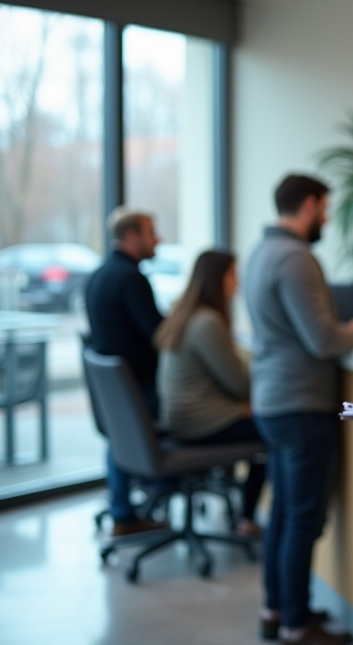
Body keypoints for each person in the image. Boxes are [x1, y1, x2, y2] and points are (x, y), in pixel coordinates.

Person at [245, 174, 353, 645]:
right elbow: (323, 340)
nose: (327, 217)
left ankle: (276, 611)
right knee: (302, 519)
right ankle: (296, 624)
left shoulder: (261, 253)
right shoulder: (296, 258)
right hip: (301, 405)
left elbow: (302, 329)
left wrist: (340, 327)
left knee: (285, 514)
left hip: (274, 401)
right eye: (325, 208)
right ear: (310, 205)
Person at [155, 250, 266, 538]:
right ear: (218, 280)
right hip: (201, 422)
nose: (237, 285)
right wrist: (241, 404)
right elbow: (240, 385)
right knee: (274, 431)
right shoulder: (208, 323)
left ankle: (248, 514)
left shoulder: (184, 313)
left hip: (179, 419)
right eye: (232, 277)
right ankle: (248, 518)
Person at [85, 207, 167, 537]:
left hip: (119, 391)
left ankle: (126, 507)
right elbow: (158, 335)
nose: (157, 239)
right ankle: (165, 484)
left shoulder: (99, 274)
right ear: (133, 237)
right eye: (151, 232)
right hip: (141, 388)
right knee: (198, 408)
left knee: (122, 434)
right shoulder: (132, 279)